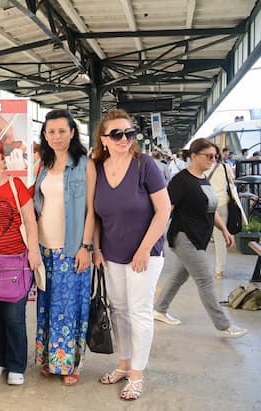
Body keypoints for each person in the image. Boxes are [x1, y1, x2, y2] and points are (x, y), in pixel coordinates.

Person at [91, 109, 171, 401]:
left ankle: (137, 374)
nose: (124, 138)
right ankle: (124, 363)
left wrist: (144, 249)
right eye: (117, 134)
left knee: (139, 312)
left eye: (129, 133)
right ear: (104, 139)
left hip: (144, 255)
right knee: (118, 310)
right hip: (111, 254)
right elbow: (96, 216)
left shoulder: (144, 165)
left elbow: (164, 210)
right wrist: (97, 248)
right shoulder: (97, 168)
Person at [153, 138, 247, 339]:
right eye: (209, 156)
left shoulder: (203, 178)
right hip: (184, 237)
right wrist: (154, 237)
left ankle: (159, 309)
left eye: (215, 156)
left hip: (200, 238)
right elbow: (166, 210)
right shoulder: (181, 181)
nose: (213, 160)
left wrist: (225, 231)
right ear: (194, 156)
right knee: (205, 280)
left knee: (179, 275)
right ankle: (224, 325)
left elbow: (211, 210)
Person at [33, 109, 95, 386]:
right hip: (44, 248)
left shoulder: (85, 163)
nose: (56, 136)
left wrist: (86, 246)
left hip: (71, 249)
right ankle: (49, 359)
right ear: (44, 135)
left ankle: (70, 364)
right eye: (51, 131)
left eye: (61, 130)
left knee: (69, 309)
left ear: (72, 132)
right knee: (46, 307)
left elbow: (92, 210)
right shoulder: (42, 164)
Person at [0, 137, 41, 386]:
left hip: (16, 262)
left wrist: (33, 251)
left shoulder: (16, 185)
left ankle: (16, 364)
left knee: (14, 317)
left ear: (3, 159)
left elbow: (30, 221)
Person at [205, 146, 246, 279]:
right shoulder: (225, 167)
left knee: (201, 236)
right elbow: (232, 181)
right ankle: (219, 270)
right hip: (222, 204)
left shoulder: (203, 168)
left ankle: (199, 268)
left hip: (206, 204)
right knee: (220, 239)